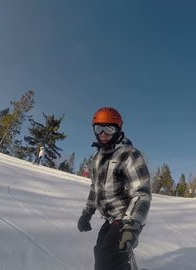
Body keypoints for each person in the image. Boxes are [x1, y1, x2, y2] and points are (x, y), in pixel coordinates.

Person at [77, 107, 151, 270]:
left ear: (118, 130)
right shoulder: (97, 158)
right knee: (99, 252)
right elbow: (95, 189)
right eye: (99, 128)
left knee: (107, 260)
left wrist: (131, 225)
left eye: (109, 129)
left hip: (126, 217)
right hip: (110, 218)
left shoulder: (129, 155)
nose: (103, 134)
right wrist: (87, 213)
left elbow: (141, 194)